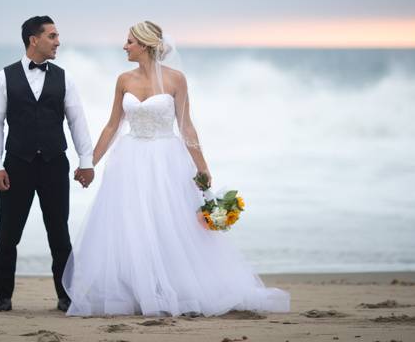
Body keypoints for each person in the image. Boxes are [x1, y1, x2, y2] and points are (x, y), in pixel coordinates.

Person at [62, 21, 290, 316]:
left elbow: (186, 126)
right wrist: (88, 162)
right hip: (130, 159)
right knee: (132, 224)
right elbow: (111, 125)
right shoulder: (123, 80)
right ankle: (138, 289)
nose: (124, 46)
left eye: (129, 41)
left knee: (167, 223)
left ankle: (171, 287)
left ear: (144, 45)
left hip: (166, 159)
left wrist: (203, 168)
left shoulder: (176, 80)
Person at [0, 15, 94, 313]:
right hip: (16, 165)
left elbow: (77, 122)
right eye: (52, 36)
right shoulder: (3, 78)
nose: (58, 41)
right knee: (8, 232)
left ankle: (66, 295)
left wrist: (86, 161)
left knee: (59, 231)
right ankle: (3, 296)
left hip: (54, 163)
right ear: (34, 39)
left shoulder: (65, 78)